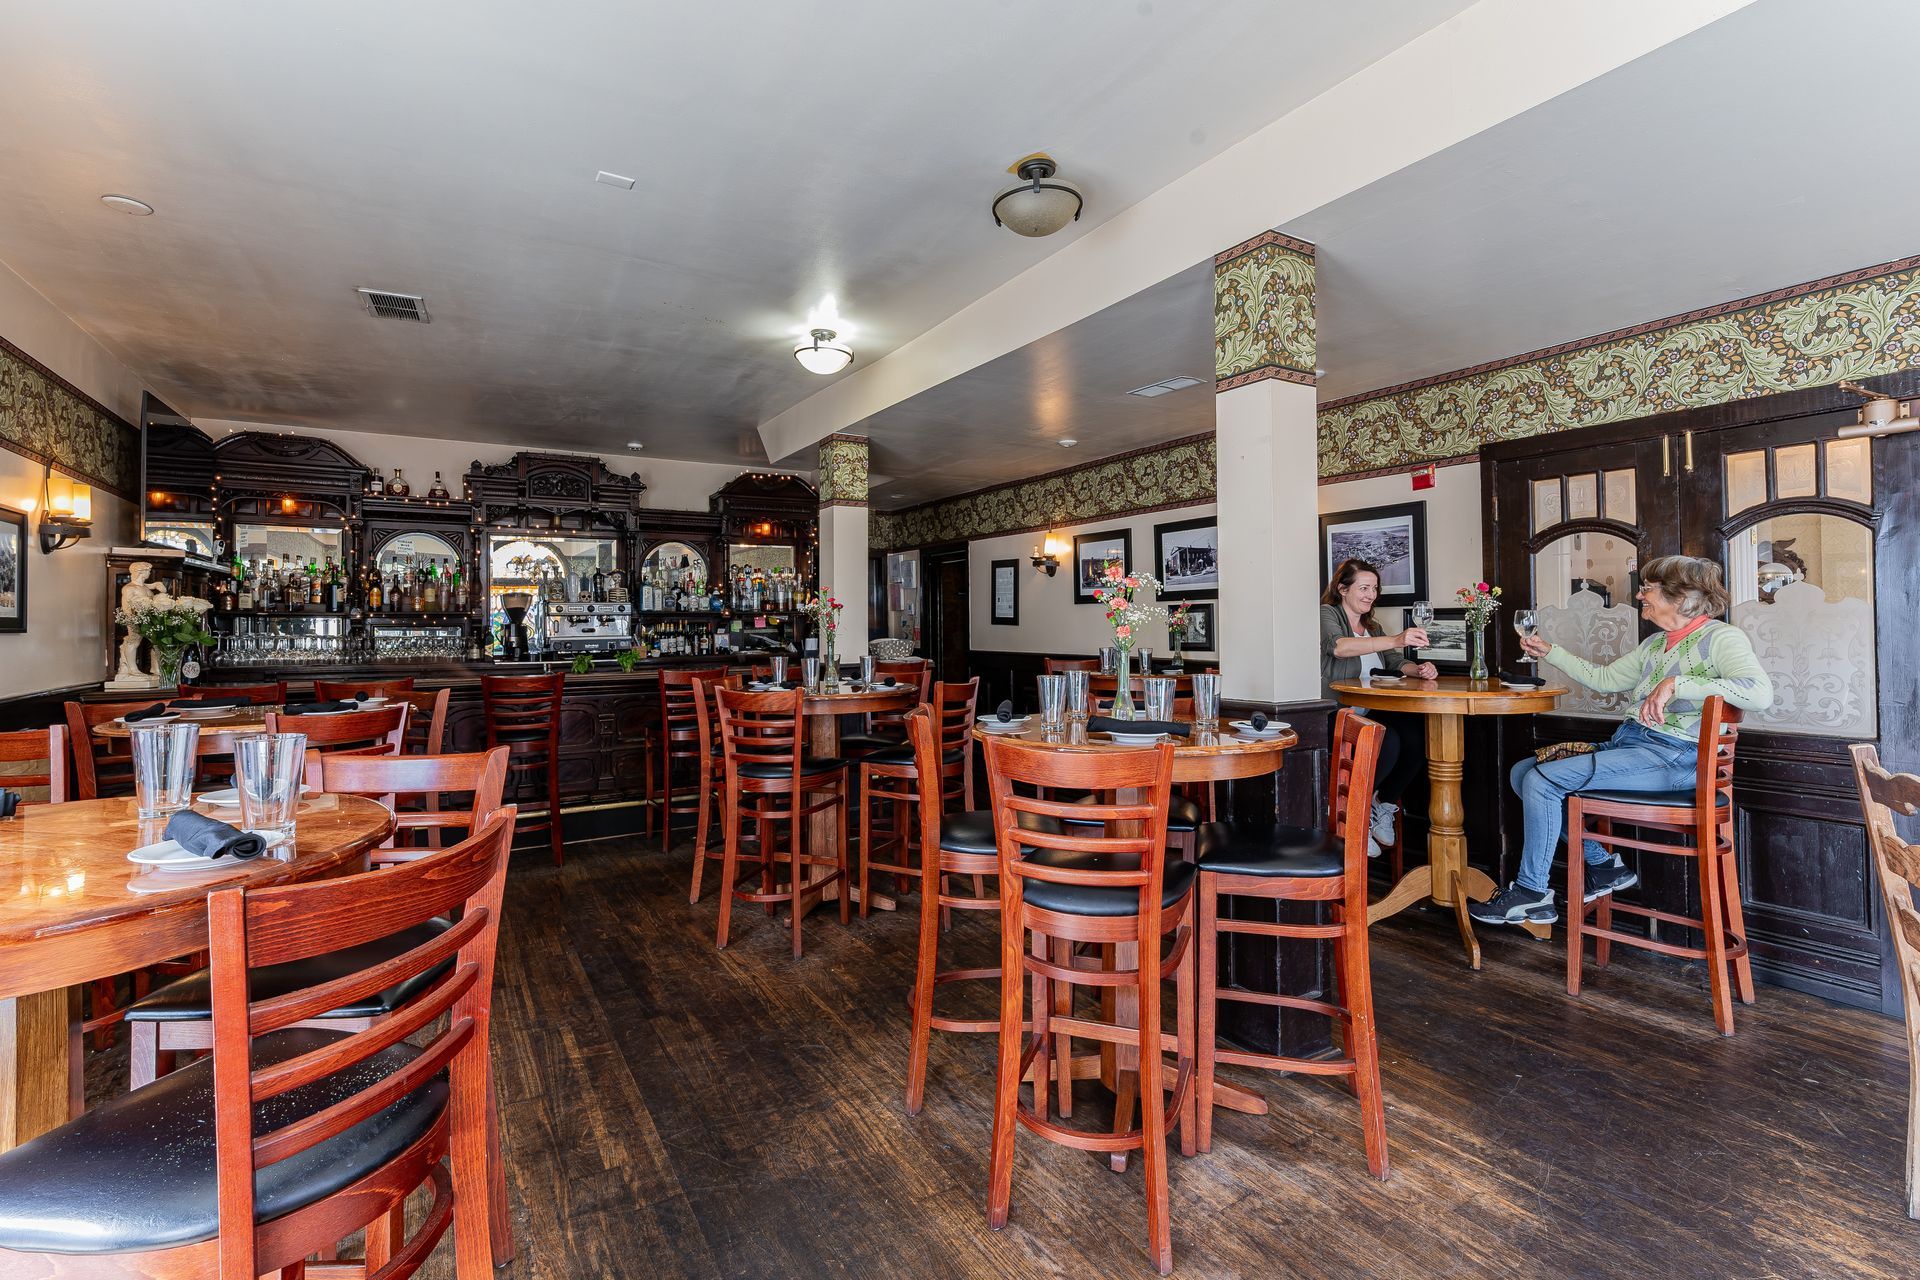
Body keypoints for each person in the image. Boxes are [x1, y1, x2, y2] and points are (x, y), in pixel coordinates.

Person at [1471, 555, 1773, 928]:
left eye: (1648, 589)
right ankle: (1604, 866)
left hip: (1677, 758)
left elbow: (1758, 693)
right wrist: (1551, 652)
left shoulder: (1721, 637)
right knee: (1523, 772)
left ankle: (1532, 892)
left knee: (1543, 780)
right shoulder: (1656, 644)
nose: (1640, 595)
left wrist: (1676, 684)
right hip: (1633, 747)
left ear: (1679, 597)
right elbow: (1605, 679)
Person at [1320, 558, 1436, 855]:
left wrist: (1418, 669)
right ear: (1342, 589)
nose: (1371, 595)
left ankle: (1381, 803)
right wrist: (1395, 639)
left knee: (1418, 736)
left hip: (1369, 709)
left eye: (1374, 588)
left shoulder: (1372, 625)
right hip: (1336, 713)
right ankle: (1354, 816)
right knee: (1388, 740)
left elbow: (1395, 662)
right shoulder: (1327, 614)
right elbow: (1339, 647)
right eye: (1364, 588)